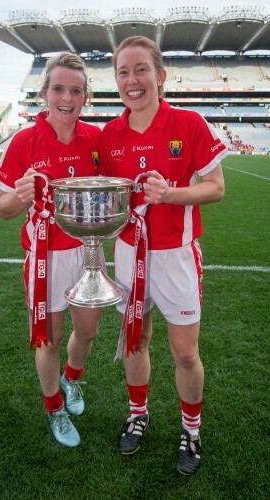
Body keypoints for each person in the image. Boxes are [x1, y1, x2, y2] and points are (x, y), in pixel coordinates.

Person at [99, 36, 228, 474]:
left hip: (175, 255)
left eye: (140, 70)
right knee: (135, 338)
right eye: (123, 72)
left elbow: (216, 187)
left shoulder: (190, 123)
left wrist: (170, 194)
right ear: (115, 80)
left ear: (160, 76)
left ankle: (191, 429)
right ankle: (139, 414)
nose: (132, 81)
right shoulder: (109, 135)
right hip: (127, 253)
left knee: (184, 352)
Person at [0, 52, 102, 448]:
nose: (67, 98)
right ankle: (54, 406)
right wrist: (19, 197)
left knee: (87, 332)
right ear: (44, 93)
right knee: (49, 339)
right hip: (45, 257)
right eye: (58, 89)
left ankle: (72, 381)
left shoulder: (96, 139)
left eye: (76, 90)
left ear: (85, 97)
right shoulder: (23, 141)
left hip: (89, 252)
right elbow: (2, 208)